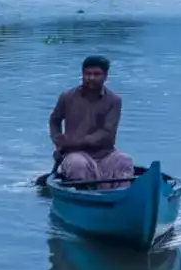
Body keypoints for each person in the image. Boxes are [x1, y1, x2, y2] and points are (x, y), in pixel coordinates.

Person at [50, 53, 135, 186]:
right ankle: (86, 198)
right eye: (87, 74)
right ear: (82, 74)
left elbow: (107, 132)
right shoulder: (67, 97)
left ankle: (118, 198)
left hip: (105, 153)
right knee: (77, 165)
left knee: (124, 161)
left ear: (105, 76)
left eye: (96, 74)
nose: (91, 78)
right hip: (74, 154)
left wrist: (75, 142)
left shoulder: (114, 101)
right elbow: (54, 120)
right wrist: (58, 141)